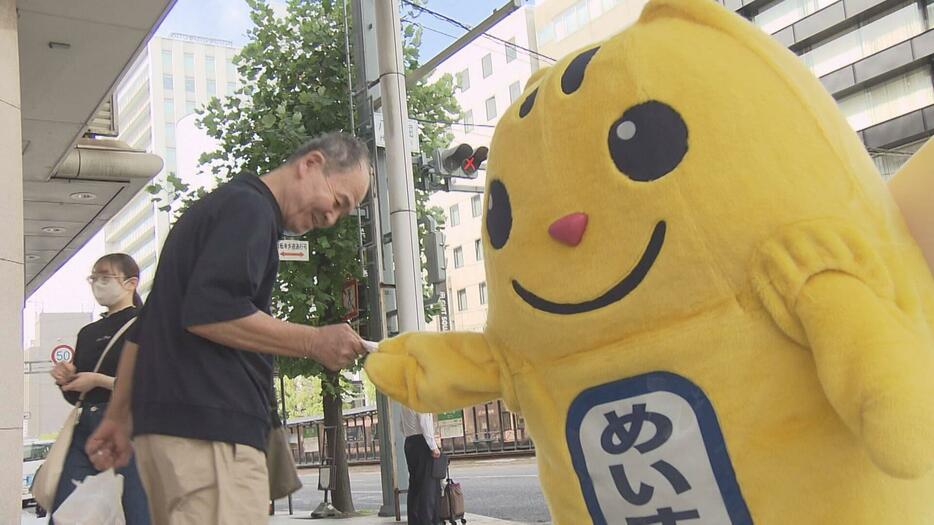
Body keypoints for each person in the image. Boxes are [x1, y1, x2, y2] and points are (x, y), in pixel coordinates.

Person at [85, 132, 371, 524]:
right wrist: (314, 340)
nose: (331, 218)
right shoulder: (250, 210)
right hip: (212, 436)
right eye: (338, 202)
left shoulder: (217, 210)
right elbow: (211, 312)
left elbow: (145, 329)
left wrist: (118, 415)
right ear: (311, 163)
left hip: (174, 435)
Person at [49, 253, 150, 524]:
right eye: (94, 278)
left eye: (106, 277)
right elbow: (76, 395)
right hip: (86, 425)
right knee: (66, 513)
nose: (98, 284)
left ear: (131, 283)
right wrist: (66, 379)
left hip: (129, 425)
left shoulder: (146, 322)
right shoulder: (88, 332)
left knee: (136, 510)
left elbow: (151, 383)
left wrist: (97, 380)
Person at [401, 406, 441, 525]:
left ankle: (414, 520)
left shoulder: (405, 403)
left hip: (409, 442)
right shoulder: (420, 401)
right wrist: (433, 446)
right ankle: (427, 520)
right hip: (422, 443)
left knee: (414, 484)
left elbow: (401, 425)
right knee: (427, 486)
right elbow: (425, 424)